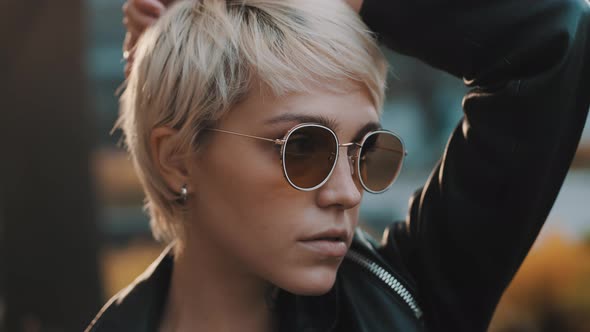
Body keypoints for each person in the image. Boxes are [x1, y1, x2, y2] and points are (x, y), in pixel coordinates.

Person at [86, 0, 590, 331]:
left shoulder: (413, 299)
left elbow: (555, 41)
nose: (349, 193)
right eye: (304, 148)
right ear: (176, 158)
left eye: (366, 151)